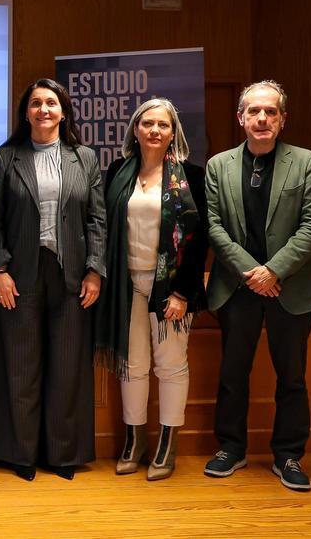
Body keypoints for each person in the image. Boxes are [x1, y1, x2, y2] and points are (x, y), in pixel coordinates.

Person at [203, 80, 311, 492]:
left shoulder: (306, 162)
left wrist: (273, 271)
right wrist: (251, 272)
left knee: (292, 377)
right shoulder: (218, 165)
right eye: (254, 112)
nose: (262, 119)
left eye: (270, 112)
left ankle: (289, 455)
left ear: (282, 118)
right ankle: (231, 449)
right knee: (233, 373)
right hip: (238, 289)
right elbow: (214, 227)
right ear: (240, 118)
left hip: (290, 289)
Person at [0, 78, 105, 481]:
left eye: (51, 103)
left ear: (63, 110)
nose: (43, 110)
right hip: (20, 274)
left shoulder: (84, 157)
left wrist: (94, 270)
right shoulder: (7, 157)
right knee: (21, 366)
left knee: (68, 365)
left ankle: (64, 455)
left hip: (71, 274)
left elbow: (98, 220)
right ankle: (21, 454)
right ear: (26, 112)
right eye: (35, 103)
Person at [94, 98, 207, 482]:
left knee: (171, 366)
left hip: (171, 289)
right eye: (147, 124)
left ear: (173, 131)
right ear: (135, 130)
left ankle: (167, 444)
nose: (155, 131)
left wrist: (183, 293)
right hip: (125, 285)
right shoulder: (117, 173)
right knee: (132, 367)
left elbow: (198, 240)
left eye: (163, 124)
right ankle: (134, 440)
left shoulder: (191, 176)